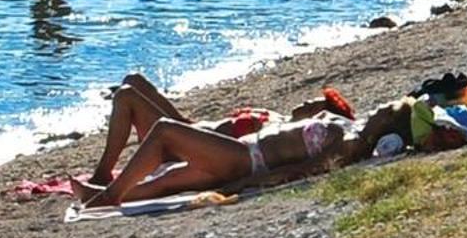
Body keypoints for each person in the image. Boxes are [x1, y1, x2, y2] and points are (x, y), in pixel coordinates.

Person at [79, 97, 406, 208]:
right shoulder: (351, 130)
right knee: (158, 187)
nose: (379, 107)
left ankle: (108, 194)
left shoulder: (350, 145)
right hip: (239, 156)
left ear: (388, 123)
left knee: (165, 130)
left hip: (245, 160)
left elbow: (302, 171)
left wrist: (240, 187)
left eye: (386, 109)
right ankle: (105, 195)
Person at [78, 71, 358, 196]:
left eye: (315, 105)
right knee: (133, 81)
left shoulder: (283, 133)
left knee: (126, 96)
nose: (307, 103)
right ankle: (108, 183)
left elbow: (241, 153)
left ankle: (103, 175)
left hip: (190, 143)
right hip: (191, 127)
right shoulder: (278, 119)